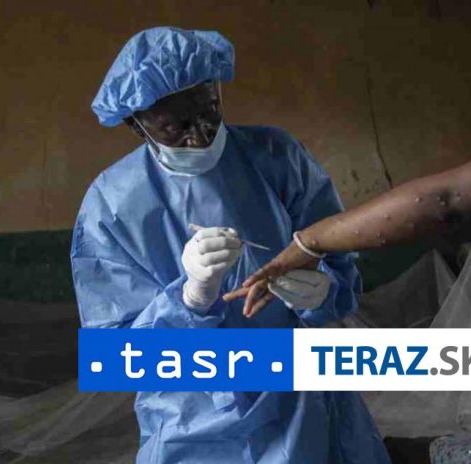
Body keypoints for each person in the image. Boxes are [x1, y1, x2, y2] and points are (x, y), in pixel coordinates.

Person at [71, 27, 391, 463]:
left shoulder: (276, 156)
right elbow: (115, 357)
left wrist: (322, 291)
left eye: (210, 113)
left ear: (216, 90)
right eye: (175, 128)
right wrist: (189, 299)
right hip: (192, 414)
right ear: (136, 125)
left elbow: (338, 266)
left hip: (299, 395)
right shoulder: (112, 204)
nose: (200, 137)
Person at [224, 123, 471, 317]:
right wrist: (309, 243)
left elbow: (446, 200)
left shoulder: (277, 153)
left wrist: (311, 242)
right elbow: (445, 199)